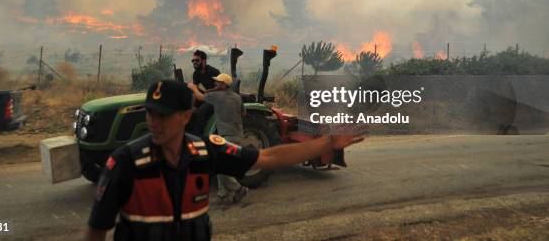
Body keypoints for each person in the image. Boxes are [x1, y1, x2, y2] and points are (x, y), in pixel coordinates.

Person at [87, 79, 365, 241]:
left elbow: (267, 156)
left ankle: (232, 190)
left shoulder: (204, 151)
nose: (153, 122)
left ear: (186, 116)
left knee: (226, 178)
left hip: (232, 135)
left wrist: (326, 142)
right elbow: (96, 232)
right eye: (150, 113)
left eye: (163, 115)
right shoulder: (125, 162)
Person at [188, 73, 247, 204]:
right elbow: (244, 113)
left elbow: (199, 96)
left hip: (227, 136)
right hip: (238, 135)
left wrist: (192, 87)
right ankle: (223, 193)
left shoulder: (217, 96)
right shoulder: (237, 97)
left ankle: (239, 189)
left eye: (218, 82)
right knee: (221, 165)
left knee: (220, 165)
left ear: (224, 85)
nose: (215, 83)